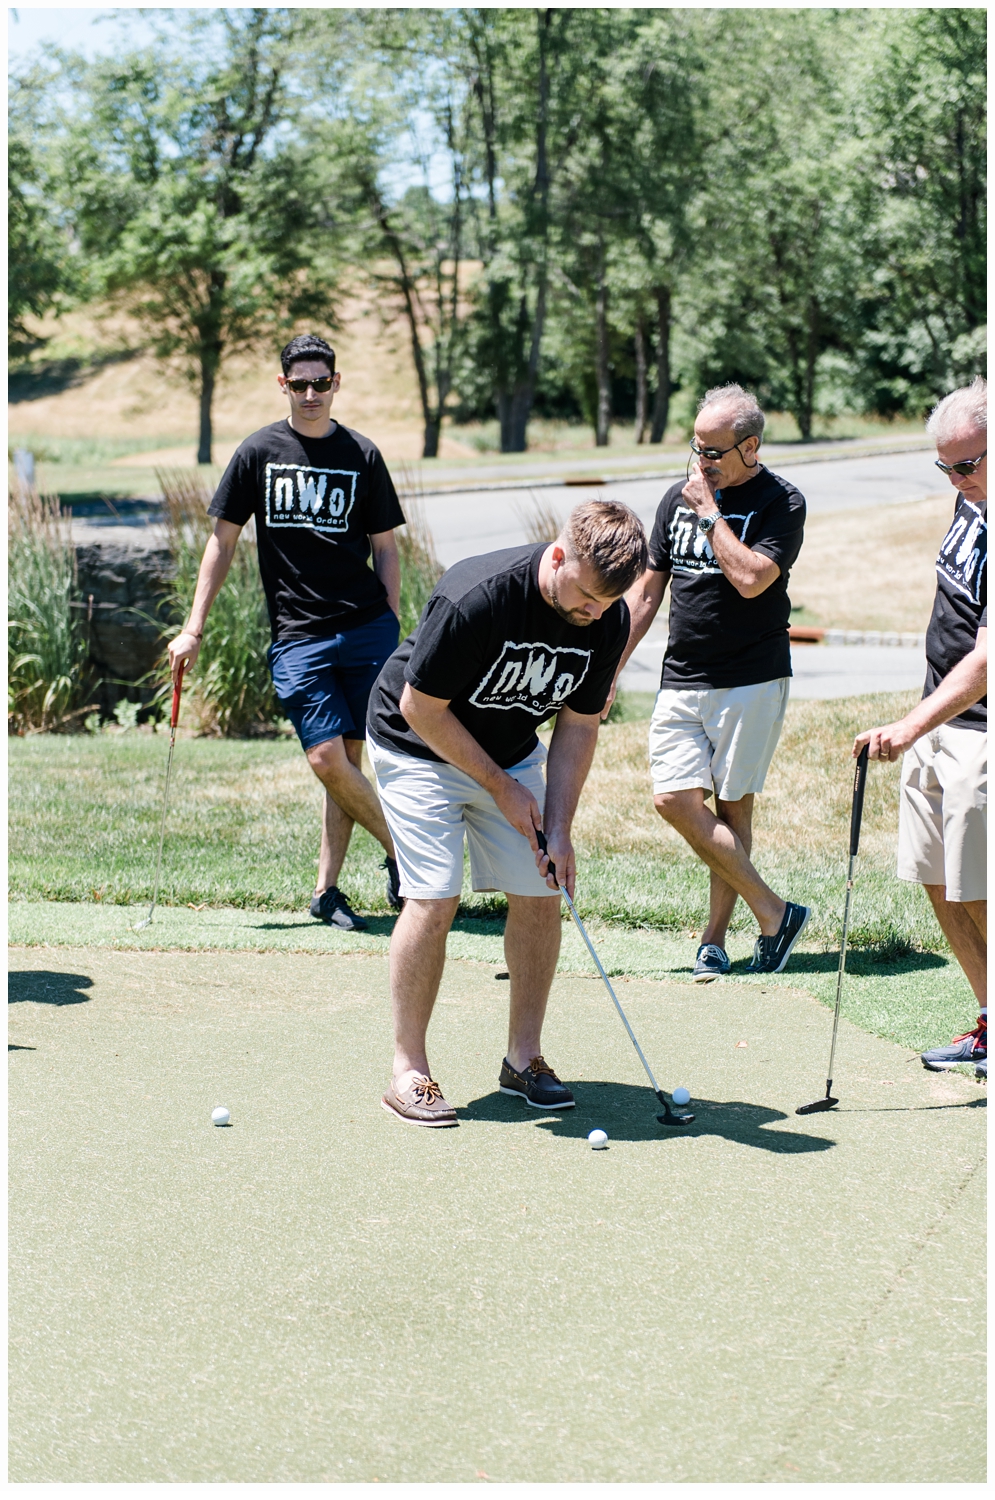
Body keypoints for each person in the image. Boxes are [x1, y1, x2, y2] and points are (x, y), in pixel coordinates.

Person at [365, 500, 648, 1126]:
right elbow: (421, 708)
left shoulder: (607, 620)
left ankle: (524, 1059)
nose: (591, 615)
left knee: (540, 892)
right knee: (434, 897)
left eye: (603, 606)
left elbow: (578, 726)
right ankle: (408, 1070)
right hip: (417, 744)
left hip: (511, 750)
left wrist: (561, 825)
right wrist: (498, 786)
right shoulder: (478, 594)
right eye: (583, 598)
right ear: (556, 556)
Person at [167, 334, 405, 929]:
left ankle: (326, 892)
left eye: (319, 383)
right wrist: (193, 628)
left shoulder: (362, 454)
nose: (309, 394)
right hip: (299, 635)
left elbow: (386, 548)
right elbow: (221, 543)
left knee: (350, 761)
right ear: (283, 386)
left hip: (367, 628)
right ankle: (408, 855)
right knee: (327, 758)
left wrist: (393, 622)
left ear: (336, 383)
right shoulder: (258, 453)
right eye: (298, 384)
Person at [608, 383, 809, 982]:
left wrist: (711, 514)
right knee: (673, 798)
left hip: (751, 676)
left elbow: (751, 579)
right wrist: (610, 668)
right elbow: (647, 592)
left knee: (732, 805)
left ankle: (714, 940)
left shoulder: (782, 503)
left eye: (714, 452)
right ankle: (774, 911)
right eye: (696, 448)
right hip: (682, 674)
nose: (701, 463)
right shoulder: (679, 497)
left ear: (750, 448)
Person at [854, 377, 987, 1081]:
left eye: (967, 464)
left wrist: (909, 724)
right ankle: (988, 1019)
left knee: (977, 887)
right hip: (938, 721)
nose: (955, 480)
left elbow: (986, 661)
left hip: (979, 730)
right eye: (944, 467)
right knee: (936, 878)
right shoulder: (970, 503)